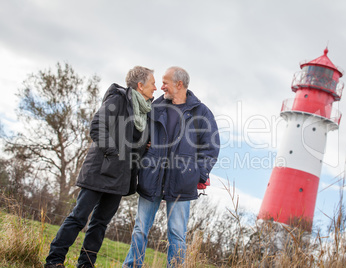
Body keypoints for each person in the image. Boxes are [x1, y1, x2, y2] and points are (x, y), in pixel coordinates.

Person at [44, 66, 157, 268]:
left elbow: (132, 142)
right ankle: (54, 261)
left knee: (99, 224)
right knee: (79, 217)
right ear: (140, 85)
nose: (155, 88)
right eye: (152, 84)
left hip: (121, 178)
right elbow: (97, 127)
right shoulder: (119, 99)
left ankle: (86, 264)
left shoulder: (145, 112)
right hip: (100, 170)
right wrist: (113, 154)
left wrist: (144, 145)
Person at [123, 66, 220, 267]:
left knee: (176, 235)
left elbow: (211, 147)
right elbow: (140, 133)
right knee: (140, 228)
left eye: (165, 82)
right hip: (152, 176)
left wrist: (198, 175)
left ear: (179, 84)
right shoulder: (154, 107)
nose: (161, 86)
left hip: (182, 183)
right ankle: (132, 265)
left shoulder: (201, 112)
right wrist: (144, 152)